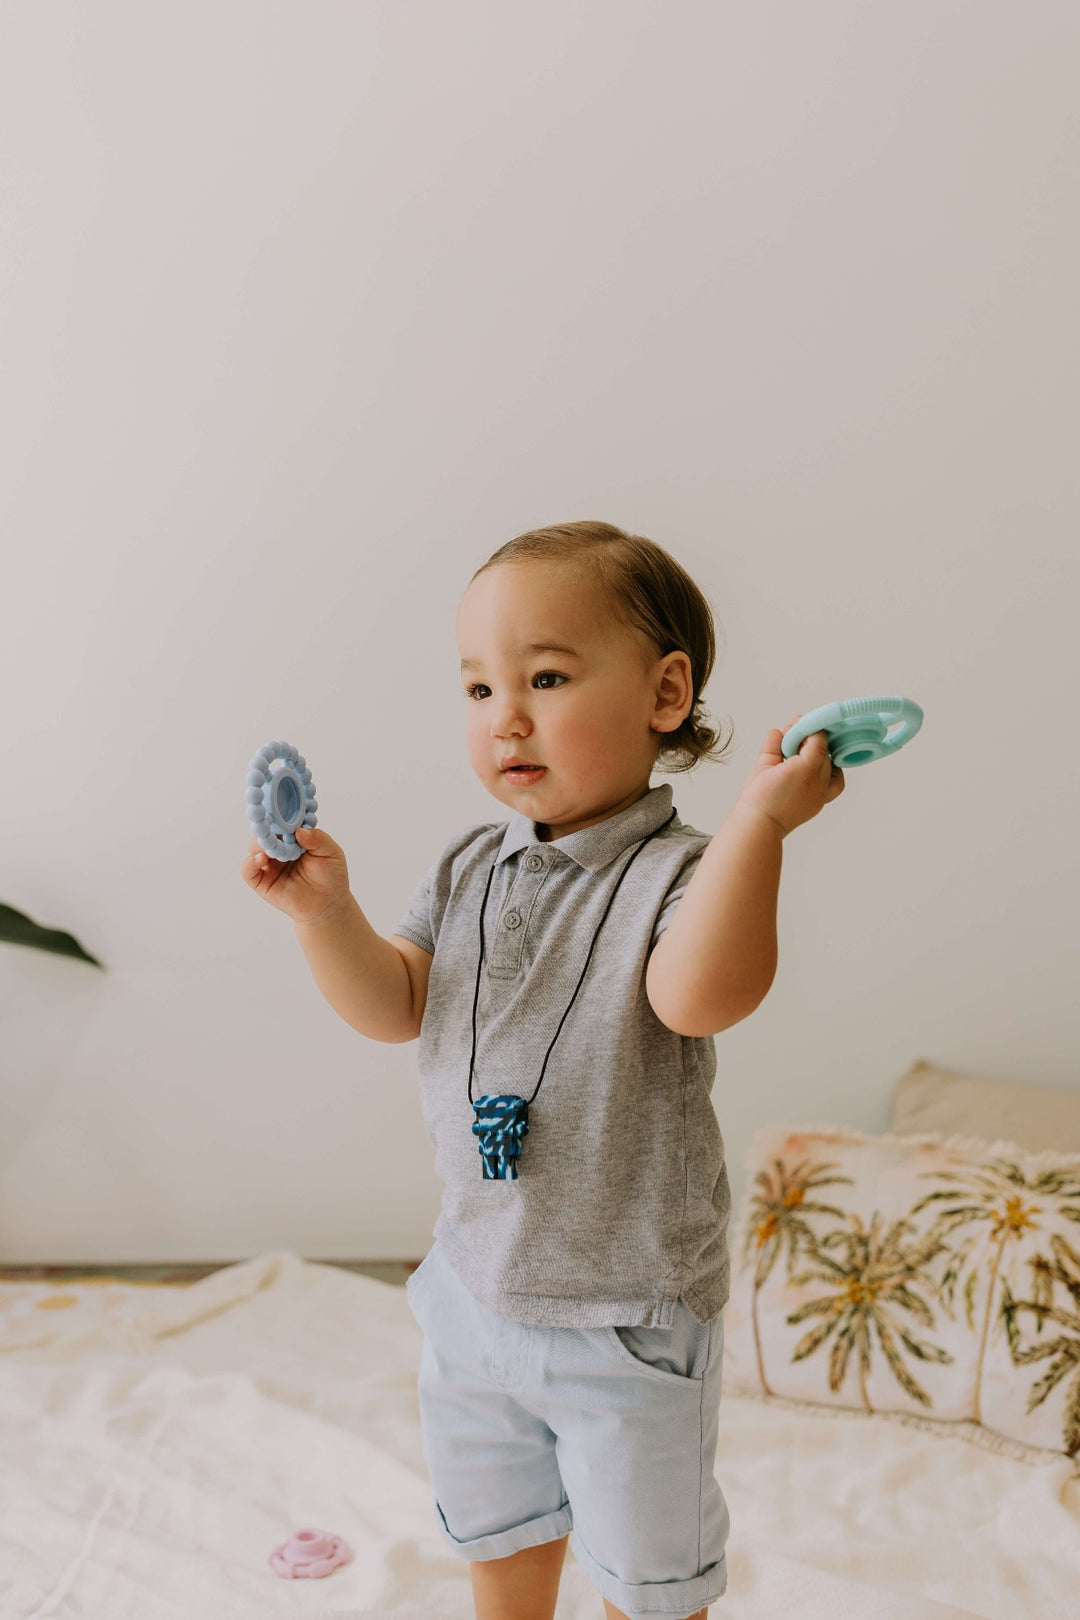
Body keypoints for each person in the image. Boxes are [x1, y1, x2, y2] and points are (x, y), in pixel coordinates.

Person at [242, 520, 844, 1620]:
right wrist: (326, 917)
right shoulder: (470, 863)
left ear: (666, 696)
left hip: (624, 1312)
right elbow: (397, 1006)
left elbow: (698, 996)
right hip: (476, 1292)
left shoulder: (680, 874)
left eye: (547, 676)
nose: (504, 716)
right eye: (477, 689)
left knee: (645, 1576)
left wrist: (762, 826)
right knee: (500, 1531)